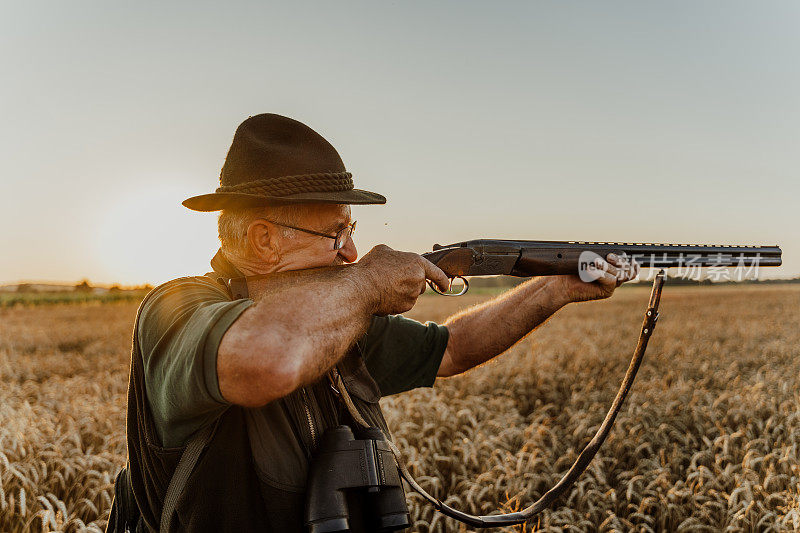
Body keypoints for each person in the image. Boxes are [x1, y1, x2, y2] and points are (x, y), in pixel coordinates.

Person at [117, 113, 638, 532]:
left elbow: (454, 347)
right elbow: (266, 359)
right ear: (264, 239)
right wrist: (368, 284)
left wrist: (555, 287)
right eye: (335, 232)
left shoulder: (335, 321)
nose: (351, 251)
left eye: (352, 229)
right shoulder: (177, 309)